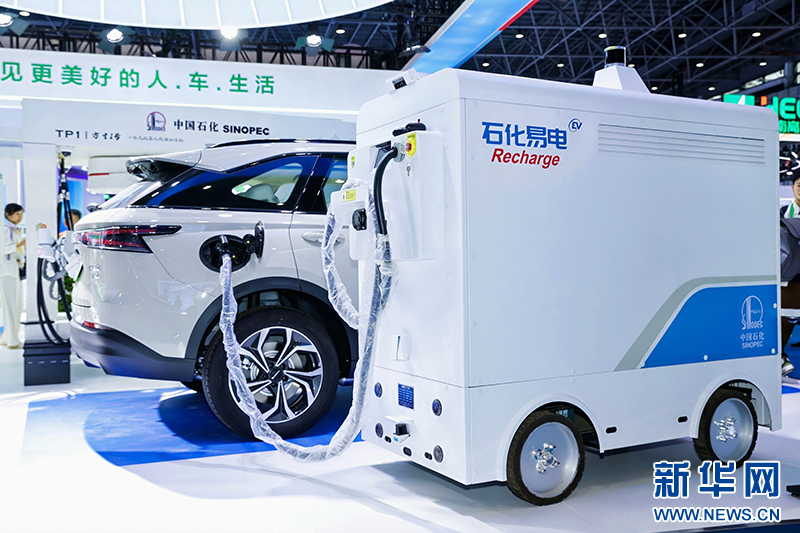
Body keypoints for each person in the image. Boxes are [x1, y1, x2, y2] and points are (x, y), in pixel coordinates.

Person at [779, 175, 800, 376]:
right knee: (785, 318)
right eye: (799, 185)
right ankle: (780, 356)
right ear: (792, 187)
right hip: (791, 275)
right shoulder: (783, 213)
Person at [1, 203, 25, 349]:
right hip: (7, 272)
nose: (20, 217)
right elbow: (4, 249)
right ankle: (12, 341)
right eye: (17, 214)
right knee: (11, 306)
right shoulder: (5, 230)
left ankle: (7, 337)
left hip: (14, 270)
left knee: (16, 306)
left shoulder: (14, 230)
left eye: (21, 214)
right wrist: (21, 244)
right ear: (8, 215)